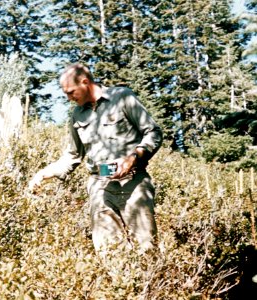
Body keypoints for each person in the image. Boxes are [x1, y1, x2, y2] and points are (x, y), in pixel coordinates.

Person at [29, 63, 163, 253]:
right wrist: (43, 173)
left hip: (133, 183)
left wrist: (133, 157)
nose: (68, 98)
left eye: (71, 92)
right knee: (108, 250)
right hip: (99, 186)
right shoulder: (77, 114)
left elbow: (153, 132)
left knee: (146, 247)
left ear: (85, 82)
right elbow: (73, 155)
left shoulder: (122, 97)